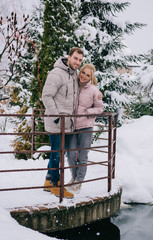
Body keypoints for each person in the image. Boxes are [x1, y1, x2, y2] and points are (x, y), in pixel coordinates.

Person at [42, 47, 84, 198]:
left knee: (59, 152)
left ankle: (48, 181)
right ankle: (55, 185)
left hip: (67, 124)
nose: (78, 62)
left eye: (80, 60)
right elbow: (46, 96)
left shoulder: (74, 75)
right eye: (75, 58)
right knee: (57, 154)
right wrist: (57, 117)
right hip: (57, 122)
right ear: (68, 57)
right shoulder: (56, 73)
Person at [67, 64, 104, 193]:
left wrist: (87, 111)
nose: (84, 76)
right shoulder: (73, 85)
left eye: (87, 75)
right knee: (70, 154)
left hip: (86, 127)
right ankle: (74, 177)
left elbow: (100, 108)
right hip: (72, 126)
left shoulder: (94, 90)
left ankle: (79, 182)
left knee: (83, 155)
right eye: (83, 73)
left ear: (91, 77)